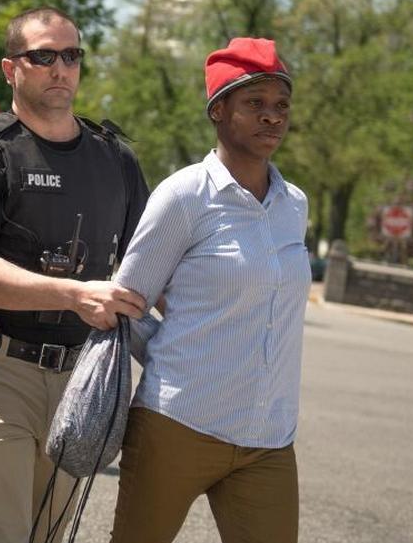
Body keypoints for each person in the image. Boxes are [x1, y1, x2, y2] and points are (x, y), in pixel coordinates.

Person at [0, 7, 149, 543]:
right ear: (11, 68)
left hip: (83, 376)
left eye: (71, 55)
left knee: (48, 536)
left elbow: (149, 261)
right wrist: (74, 294)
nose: (61, 68)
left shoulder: (116, 159)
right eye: (43, 56)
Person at [108, 38, 309, 543]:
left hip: (268, 439)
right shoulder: (184, 195)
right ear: (218, 109)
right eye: (255, 103)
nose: (272, 116)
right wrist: (174, 358)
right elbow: (125, 302)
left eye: (281, 105)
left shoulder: (295, 205)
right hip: (178, 424)